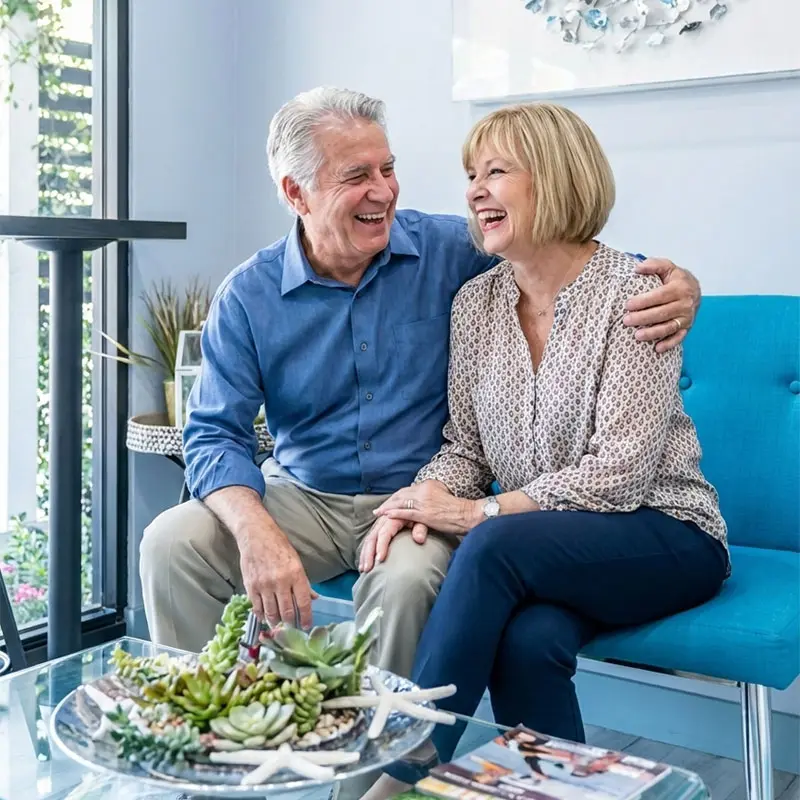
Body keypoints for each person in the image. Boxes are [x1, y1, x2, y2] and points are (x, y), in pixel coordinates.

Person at [139, 86, 701, 679]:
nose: (381, 191)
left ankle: (385, 767)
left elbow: (573, 259)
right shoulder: (249, 295)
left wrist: (683, 287)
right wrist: (256, 534)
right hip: (303, 496)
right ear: (295, 192)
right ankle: (216, 747)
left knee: (405, 584)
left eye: (388, 168)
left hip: (426, 492)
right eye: (356, 175)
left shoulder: (450, 249)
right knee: (171, 545)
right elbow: (211, 435)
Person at [362, 102, 728, 799]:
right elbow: (464, 448)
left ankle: (400, 771)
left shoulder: (636, 293)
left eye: (496, 170)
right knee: (528, 641)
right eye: (471, 174)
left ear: (556, 178)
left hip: (666, 532)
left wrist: (481, 514)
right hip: (552, 546)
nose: (473, 189)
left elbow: (619, 478)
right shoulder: (475, 304)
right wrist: (417, 502)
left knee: (493, 545)